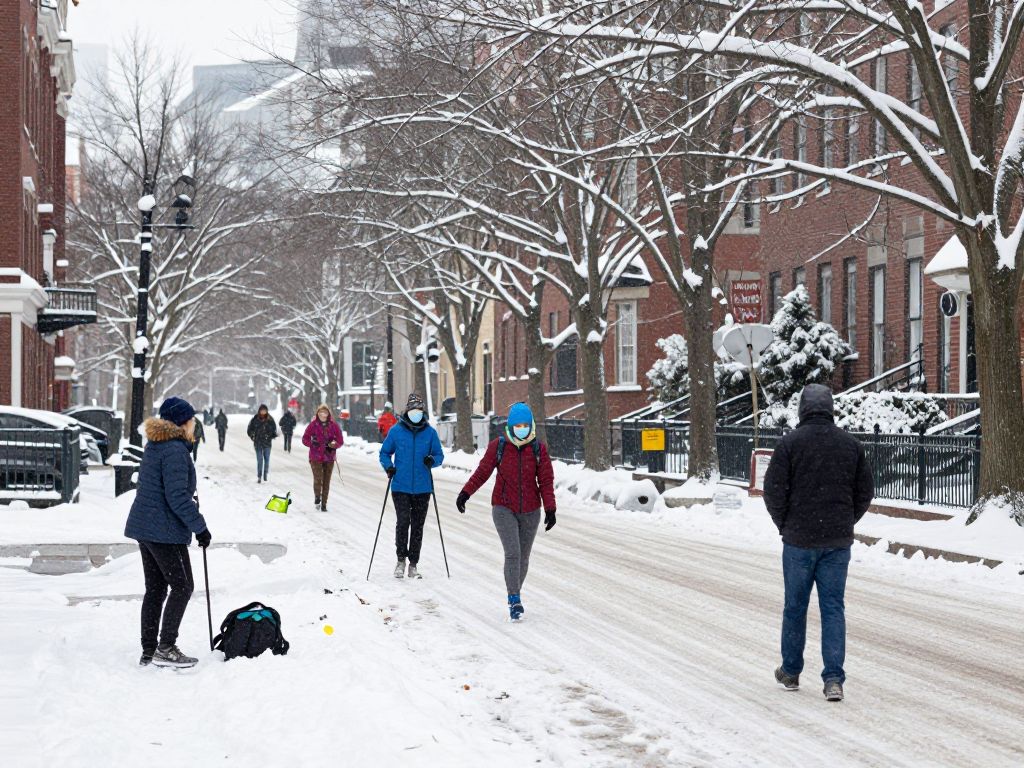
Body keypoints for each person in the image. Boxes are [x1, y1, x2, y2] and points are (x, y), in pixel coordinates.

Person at [763, 384, 874, 703]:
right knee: (833, 607)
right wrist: (845, 521)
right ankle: (834, 679)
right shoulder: (850, 445)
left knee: (795, 607)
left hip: (798, 540)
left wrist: (785, 523)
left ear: (802, 409)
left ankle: (791, 670)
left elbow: (773, 491)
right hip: (837, 542)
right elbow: (865, 491)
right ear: (830, 409)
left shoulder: (789, 444)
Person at [124, 396, 212, 668]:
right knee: (183, 586)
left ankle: (149, 649)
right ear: (181, 422)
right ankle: (165, 647)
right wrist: (200, 527)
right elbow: (176, 497)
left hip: (147, 526)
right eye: (191, 420)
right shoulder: (174, 450)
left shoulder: (157, 445)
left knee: (156, 589)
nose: (194, 424)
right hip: (163, 530)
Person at [457, 402, 556, 621]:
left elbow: (546, 481)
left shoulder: (538, 449)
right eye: (517, 425)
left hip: (531, 510)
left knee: (524, 558)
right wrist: (466, 493)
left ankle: (515, 591)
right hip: (503, 507)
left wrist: (550, 509)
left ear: (530, 426)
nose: (522, 428)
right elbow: (483, 472)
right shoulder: (498, 447)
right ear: (510, 426)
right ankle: (514, 599)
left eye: (525, 425)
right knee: (513, 553)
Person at [379, 393, 444, 579]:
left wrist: (432, 460)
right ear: (407, 411)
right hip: (400, 486)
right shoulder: (396, 431)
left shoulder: (430, 433)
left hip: (423, 488)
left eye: (419, 410)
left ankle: (413, 564)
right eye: (413, 409)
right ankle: (400, 560)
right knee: (403, 522)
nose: (416, 413)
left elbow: (439, 456)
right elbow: (384, 453)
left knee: (417, 526)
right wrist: (389, 467)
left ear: (422, 412)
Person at [301, 404, 344, 511]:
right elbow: (305, 438)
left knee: (326, 481)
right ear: (318, 414)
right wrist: (312, 443)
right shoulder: (313, 425)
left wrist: (333, 444)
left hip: (329, 457)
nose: (323, 415)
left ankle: (324, 504)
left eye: (325, 412)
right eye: (321, 412)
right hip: (315, 457)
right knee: (318, 479)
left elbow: (340, 440)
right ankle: (317, 496)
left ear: (328, 414)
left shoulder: (333, 425)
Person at [246, 404, 278, 483]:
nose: (263, 412)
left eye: (265, 410)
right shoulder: (255, 419)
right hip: (258, 443)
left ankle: (265, 473)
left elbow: (274, 430)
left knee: (267, 460)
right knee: (260, 460)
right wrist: (252, 436)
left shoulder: (270, 420)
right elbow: (249, 430)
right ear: (259, 411)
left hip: (267, 443)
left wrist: (273, 435)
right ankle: (259, 476)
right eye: (262, 410)